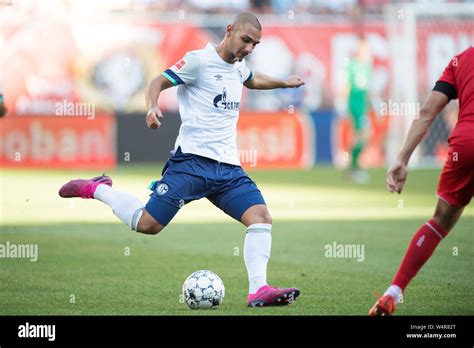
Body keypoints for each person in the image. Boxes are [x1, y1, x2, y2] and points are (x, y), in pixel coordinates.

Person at [59, 13, 305, 307]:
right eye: (246, 40)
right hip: (190, 164)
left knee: (260, 218)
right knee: (147, 224)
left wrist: (284, 83)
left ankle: (258, 290)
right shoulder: (197, 62)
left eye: (255, 44)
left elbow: (252, 81)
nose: (250, 49)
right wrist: (151, 108)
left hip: (227, 169)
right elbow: (157, 81)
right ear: (229, 31)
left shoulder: (240, 68)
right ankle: (97, 188)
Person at [369, 46, 474, 315]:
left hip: (465, 144)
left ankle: (394, 291)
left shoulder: (460, 59)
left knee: (440, 221)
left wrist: (402, 159)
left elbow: (427, 112)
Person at [346, 37, 372, 184]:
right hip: (356, 106)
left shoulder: (367, 67)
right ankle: (354, 168)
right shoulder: (353, 65)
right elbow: (347, 86)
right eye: (364, 49)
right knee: (361, 135)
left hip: (363, 107)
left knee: (363, 136)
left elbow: (367, 91)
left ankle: (354, 167)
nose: (367, 52)